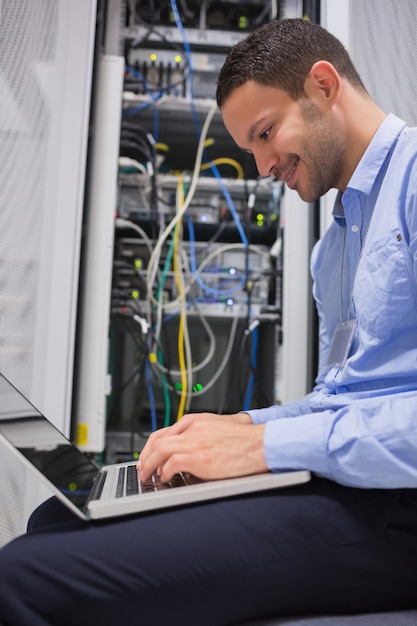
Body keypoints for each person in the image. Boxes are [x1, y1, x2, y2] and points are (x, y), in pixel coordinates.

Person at [1, 17, 417, 626]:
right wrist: (238, 425)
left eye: (266, 133)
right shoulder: (336, 246)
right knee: (54, 519)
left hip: (395, 504)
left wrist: (263, 446)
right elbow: (344, 396)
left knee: (21, 577)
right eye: (251, 149)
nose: (261, 166)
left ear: (324, 86)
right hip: (353, 482)